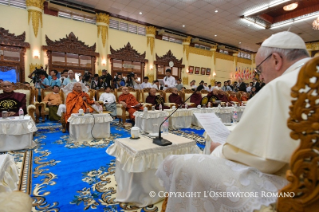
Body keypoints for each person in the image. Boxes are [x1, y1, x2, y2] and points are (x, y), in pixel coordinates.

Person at [156, 31, 311, 212]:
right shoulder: (307, 79)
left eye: (259, 69)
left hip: (290, 184)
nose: (260, 77)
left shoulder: (281, 86)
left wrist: (219, 149)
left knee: (177, 163)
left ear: (276, 60)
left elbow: (263, 160)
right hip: (307, 177)